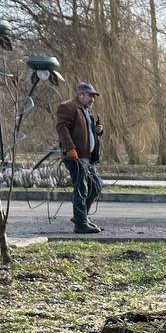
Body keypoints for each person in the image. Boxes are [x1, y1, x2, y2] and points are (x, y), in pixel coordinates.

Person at [55, 81, 106, 234]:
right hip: (76, 156)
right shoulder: (68, 107)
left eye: (93, 96)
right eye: (90, 96)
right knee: (81, 189)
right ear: (81, 95)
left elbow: (87, 132)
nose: (92, 99)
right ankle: (80, 224)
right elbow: (62, 128)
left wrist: (98, 130)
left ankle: (81, 217)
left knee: (96, 186)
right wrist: (70, 149)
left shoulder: (85, 111)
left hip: (87, 157)